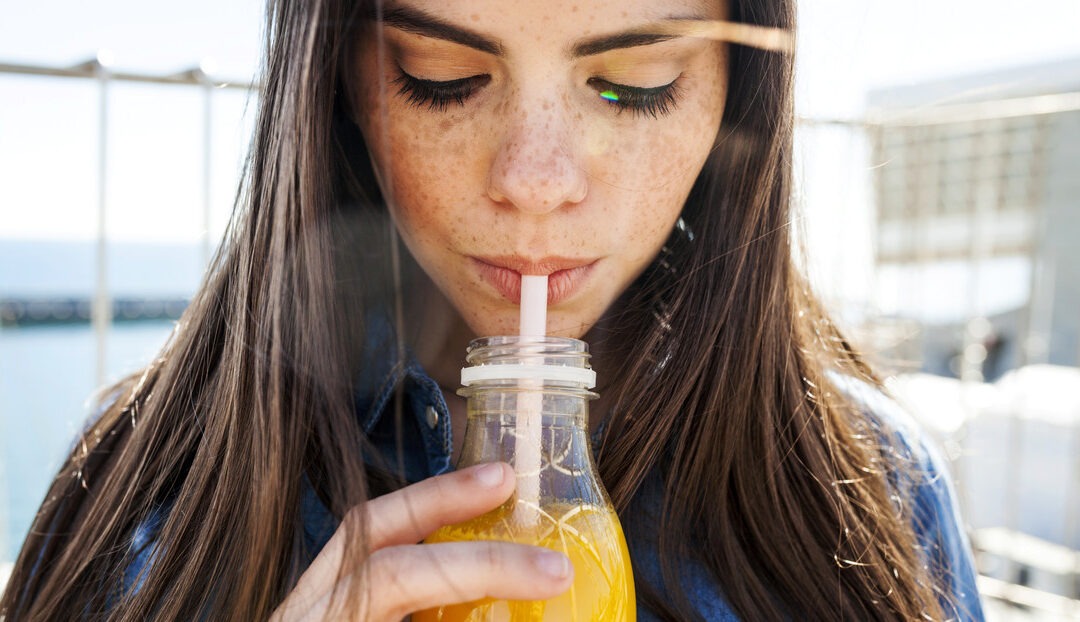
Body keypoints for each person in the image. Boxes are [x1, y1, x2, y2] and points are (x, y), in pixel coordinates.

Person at [1, 0, 985, 620]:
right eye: (444, 78)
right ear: (339, 75)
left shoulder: (874, 491)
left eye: (634, 86)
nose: (537, 181)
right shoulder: (143, 492)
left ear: (738, 93)